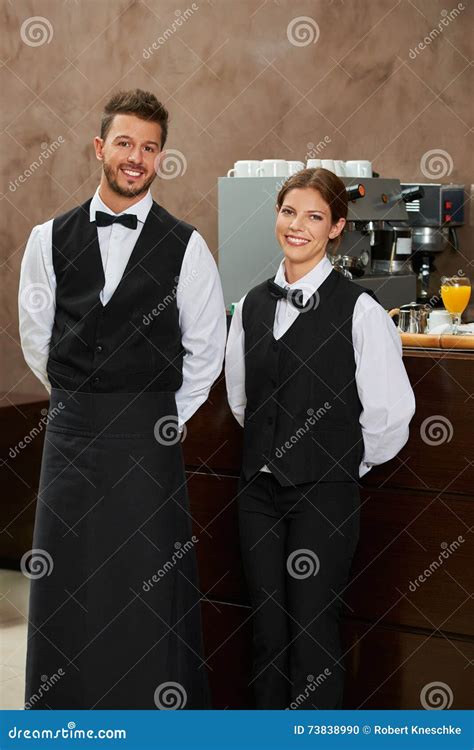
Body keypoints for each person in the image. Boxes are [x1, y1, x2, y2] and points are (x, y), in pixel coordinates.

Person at [19, 88, 226, 709]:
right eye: (126, 143)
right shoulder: (45, 238)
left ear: (162, 157)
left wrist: (159, 418)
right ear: (101, 147)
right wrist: (81, 400)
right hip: (73, 434)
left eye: (151, 148)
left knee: (146, 581)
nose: (137, 157)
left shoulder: (186, 246)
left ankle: (153, 717)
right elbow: (39, 338)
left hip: (147, 439)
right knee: (68, 579)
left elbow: (205, 351)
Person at [225, 167, 416, 709]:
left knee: (313, 635)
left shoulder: (360, 309)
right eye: (289, 212)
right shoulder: (252, 305)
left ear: (335, 228)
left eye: (314, 217)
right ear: (276, 217)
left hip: (325, 497)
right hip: (258, 494)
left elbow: (389, 414)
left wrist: (335, 466)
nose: (298, 226)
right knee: (266, 633)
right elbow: (243, 401)